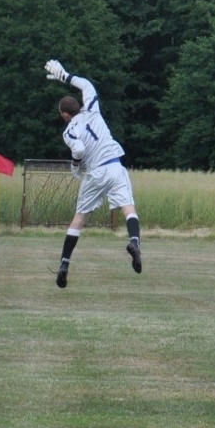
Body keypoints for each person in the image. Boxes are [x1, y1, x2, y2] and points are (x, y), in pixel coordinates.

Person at [44, 59, 141, 288]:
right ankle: (135, 241)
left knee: (78, 220)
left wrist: (76, 165)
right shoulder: (93, 110)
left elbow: (78, 149)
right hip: (114, 165)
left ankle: (64, 264)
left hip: (95, 173)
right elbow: (87, 85)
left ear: (66, 115)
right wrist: (64, 76)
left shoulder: (69, 131)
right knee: (128, 208)